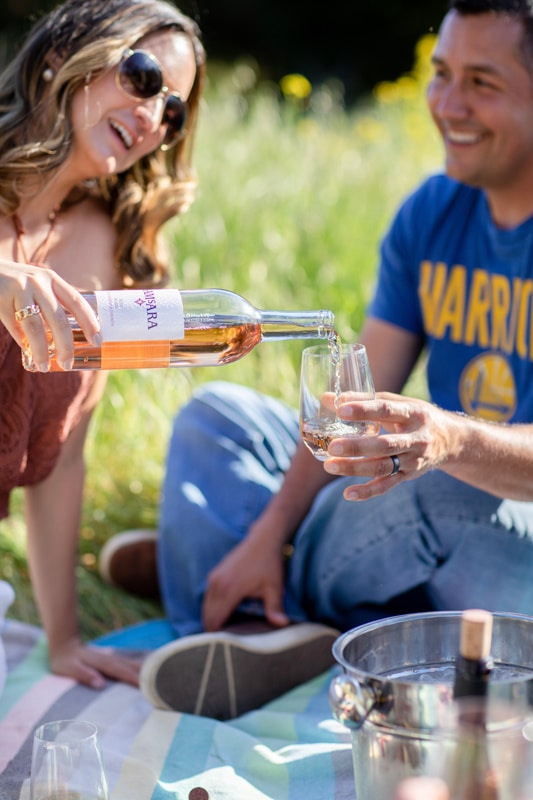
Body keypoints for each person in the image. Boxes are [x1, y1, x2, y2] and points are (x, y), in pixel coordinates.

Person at [101, 0, 533, 719]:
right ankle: (260, 591)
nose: (448, 105)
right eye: (440, 74)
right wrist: (270, 530)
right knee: (219, 418)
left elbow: (450, 453)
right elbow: (351, 398)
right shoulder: (432, 212)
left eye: (482, 82)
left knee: (442, 479)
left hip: (502, 540)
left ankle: (238, 582)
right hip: (406, 521)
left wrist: (450, 438)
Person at [0, 0, 205, 689]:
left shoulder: (104, 247)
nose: (153, 118)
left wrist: (63, 640)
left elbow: (63, 460)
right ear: (63, 54)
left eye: (172, 112)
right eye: (144, 77)